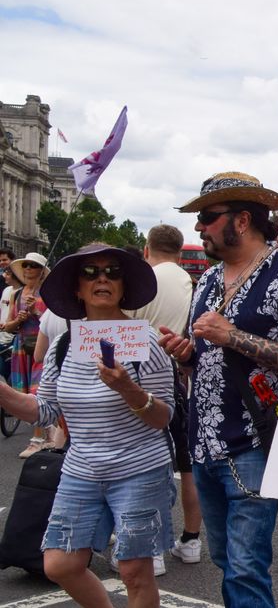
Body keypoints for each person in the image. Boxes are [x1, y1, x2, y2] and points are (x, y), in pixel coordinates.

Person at [158, 172, 278, 608]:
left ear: (243, 220)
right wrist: (185, 353)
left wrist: (232, 336)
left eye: (208, 217)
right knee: (224, 559)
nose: (199, 227)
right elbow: (206, 358)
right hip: (203, 442)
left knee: (246, 569)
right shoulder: (209, 279)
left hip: (254, 443)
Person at [0, 243, 175, 608]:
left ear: (124, 287)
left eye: (113, 272)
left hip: (139, 469)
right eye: (90, 273)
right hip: (81, 470)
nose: (102, 279)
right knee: (60, 564)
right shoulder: (64, 344)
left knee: (134, 572)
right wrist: (3, 393)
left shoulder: (145, 341)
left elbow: (164, 417)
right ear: (76, 288)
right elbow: (45, 410)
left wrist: (127, 388)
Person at [123, 223, 203, 569]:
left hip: (137, 379)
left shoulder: (140, 281)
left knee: (144, 462)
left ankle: (151, 548)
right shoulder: (193, 283)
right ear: (180, 252)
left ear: (147, 249)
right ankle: (191, 539)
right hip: (178, 378)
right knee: (187, 464)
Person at [3, 252, 51, 458]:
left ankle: (37, 439)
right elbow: (8, 326)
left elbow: (53, 323)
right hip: (22, 346)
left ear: (41, 271)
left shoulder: (48, 294)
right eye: (26, 266)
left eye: (33, 266)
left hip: (43, 346)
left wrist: (36, 312)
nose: (28, 269)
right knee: (23, 392)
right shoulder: (16, 294)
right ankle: (48, 432)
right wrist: (19, 319)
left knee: (38, 391)